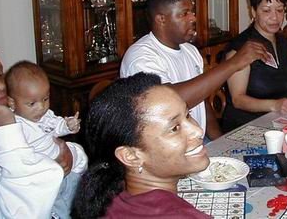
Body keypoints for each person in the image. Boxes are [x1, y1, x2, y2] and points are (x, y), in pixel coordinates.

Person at [120, 0, 268, 140]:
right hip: (164, 148)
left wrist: (218, 141)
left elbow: (201, 99)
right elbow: (168, 103)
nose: (193, 18)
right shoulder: (141, 57)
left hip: (196, 140)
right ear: (161, 19)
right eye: (184, 14)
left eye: (192, 12)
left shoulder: (190, 51)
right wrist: (233, 64)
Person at [72, 72, 211, 218]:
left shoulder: (112, 193)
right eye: (174, 128)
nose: (198, 131)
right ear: (131, 156)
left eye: (188, 115)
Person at [5, 61, 87, 219]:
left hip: (64, 168)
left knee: (76, 190)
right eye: (32, 103)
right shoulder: (15, 126)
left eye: (45, 99)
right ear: (12, 103)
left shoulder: (43, 115)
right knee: (60, 206)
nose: (41, 107)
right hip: (45, 176)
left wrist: (68, 125)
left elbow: (56, 125)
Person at [222, 0, 287, 132]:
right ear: (253, 12)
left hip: (281, 121)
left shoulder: (284, 43)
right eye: (266, 11)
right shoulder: (240, 47)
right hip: (246, 126)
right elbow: (238, 99)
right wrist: (275, 105)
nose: (275, 17)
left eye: (280, 10)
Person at [0, 49, 64, 218]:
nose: (1, 86)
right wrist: (7, 128)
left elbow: (44, 139)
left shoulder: (18, 111)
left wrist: (69, 152)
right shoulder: (6, 123)